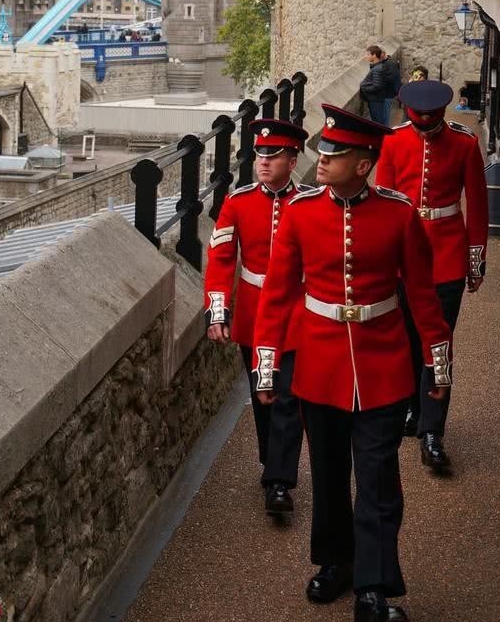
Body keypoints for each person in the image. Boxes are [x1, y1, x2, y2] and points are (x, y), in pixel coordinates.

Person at [253, 105, 451, 622]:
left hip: (383, 367)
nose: (322, 160)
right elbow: (276, 295)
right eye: (323, 150)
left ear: (363, 163)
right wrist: (268, 367)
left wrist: (439, 365)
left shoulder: (399, 213)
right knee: (328, 475)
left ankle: (374, 589)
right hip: (319, 364)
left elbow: (423, 297)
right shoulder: (300, 212)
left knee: (379, 480)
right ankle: (335, 562)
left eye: (335, 153)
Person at [375, 80, 488, 473]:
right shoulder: (392, 141)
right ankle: (412, 410)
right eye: (418, 117)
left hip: (446, 255)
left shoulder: (464, 143)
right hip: (404, 254)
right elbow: (384, 204)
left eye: (430, 118)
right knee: (406, 339)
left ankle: (433, 431)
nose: (424, 123)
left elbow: (476, 201)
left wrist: (475, 258)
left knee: (438, 341)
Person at [204, 119, 309, 517]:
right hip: (252, 310)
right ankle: (273, 461)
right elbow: (221, 258)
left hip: (297, 313)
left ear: (292, 158)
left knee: (288, 396)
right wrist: (218, 312)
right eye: (260, 155)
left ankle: (280, 481)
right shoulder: (238, 201)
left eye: (274, 155)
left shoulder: (308, 201)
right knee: (262, 396)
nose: (263, 162)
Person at [359, 45, 393, 125]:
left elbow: (377, 86)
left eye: (368, 54)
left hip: (375, 100)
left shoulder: (377, 69)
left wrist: (364, 87)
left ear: (374, 55)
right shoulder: (378, 67)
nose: (366, 56)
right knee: (377, 122)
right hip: (376, 99)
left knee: (377, 123)